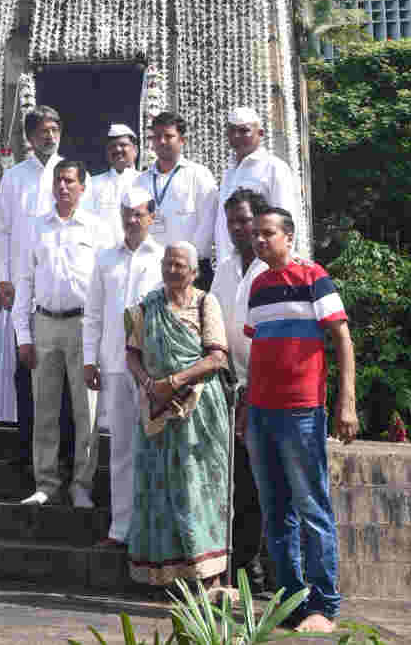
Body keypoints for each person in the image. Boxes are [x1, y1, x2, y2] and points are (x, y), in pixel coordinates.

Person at [243, 207, 358, 634]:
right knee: (276, 512)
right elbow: (258, 352)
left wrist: (346, 402)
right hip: (261, 411)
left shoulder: (313, 277)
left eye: (267, 234)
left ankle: (324, 606)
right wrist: (246, 409)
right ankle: (291, 600)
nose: (259, 241)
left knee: (312, 508)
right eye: (256, 234)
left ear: (288, 237)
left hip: (302, 411)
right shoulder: (258, 286)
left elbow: (342, 338)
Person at [124, 240, 231, 589]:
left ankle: (209, 578)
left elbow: (217, 358)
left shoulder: (205, 303)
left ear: (194, 271)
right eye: (168, 263)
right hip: (158, 410)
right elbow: (133, 355)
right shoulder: (147, 307)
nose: (172, 270)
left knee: (199, 488)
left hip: (199, 410)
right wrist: (149, 384)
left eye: (180, 265)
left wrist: (175, 382)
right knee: (160, 488)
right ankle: (168, 575)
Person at [0, 106, 84, 483]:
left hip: (63, 292)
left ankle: (65, 454)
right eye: (41, 131)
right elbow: (1, 230)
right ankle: (26, 448)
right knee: (27, 370)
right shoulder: (14, 177)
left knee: (67, 380)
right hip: (23, 288)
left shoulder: (74, 173)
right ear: (29, 138)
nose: (49, 136)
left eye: (54, 129)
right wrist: (3, 279)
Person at [14, 159, 103, 509]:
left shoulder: (96, 228)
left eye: (69, 181)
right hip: (45, 323)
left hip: (84, 324)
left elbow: (102, 284)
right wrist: (23, 334)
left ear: (82, 186)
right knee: (45, 408)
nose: (63, 187)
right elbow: (24, 281)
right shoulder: (36, 228)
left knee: (86, 410)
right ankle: (45, 482)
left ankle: (82, 484)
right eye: (58, 181)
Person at [83, 190, 162, 547]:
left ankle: (153, 531)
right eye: (127, 213)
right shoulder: (105, 259)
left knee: (156, 448)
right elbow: (94, 313)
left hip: (153, 370)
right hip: (115, 365)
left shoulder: (164, 258)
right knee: (120, 451)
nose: (132, 220)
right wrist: (89, 359)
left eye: (139, 214)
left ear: (152, 216)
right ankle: (120, 529)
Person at [210, 189, 269, 593]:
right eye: (232, 222)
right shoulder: (225, 268)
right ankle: (247, 567)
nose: (238, 228)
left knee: (268, 481)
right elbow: (212, 318)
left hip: (268, 388)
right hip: (230, 386)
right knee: (240, 483)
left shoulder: (275, 267)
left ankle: (269, 569)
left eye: (245, 220)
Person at [127, 112, 217, 271]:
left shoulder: (199, 174)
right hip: (150, 267)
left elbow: (208, 222)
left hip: (190, 268)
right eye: (157, 136)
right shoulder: (140, 181)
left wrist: (189, 259)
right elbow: (135, 224)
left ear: (182, 140)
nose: (162, 141)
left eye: (169, 136)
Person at [213, 107, 299, 266]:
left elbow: (286, 218)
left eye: (244, 130)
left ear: (260, 133)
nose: (236, 136)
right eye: (232, 131)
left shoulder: (274, 167)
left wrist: (284, 263)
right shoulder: (228, 172)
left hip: (264, 262)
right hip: (229, 261)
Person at [84, 122, 139, 247]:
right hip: (103, 257)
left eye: (123, 145)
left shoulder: (146, 181)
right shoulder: (93, 184)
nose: (117, 149)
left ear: (135, 150)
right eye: (112, 146)